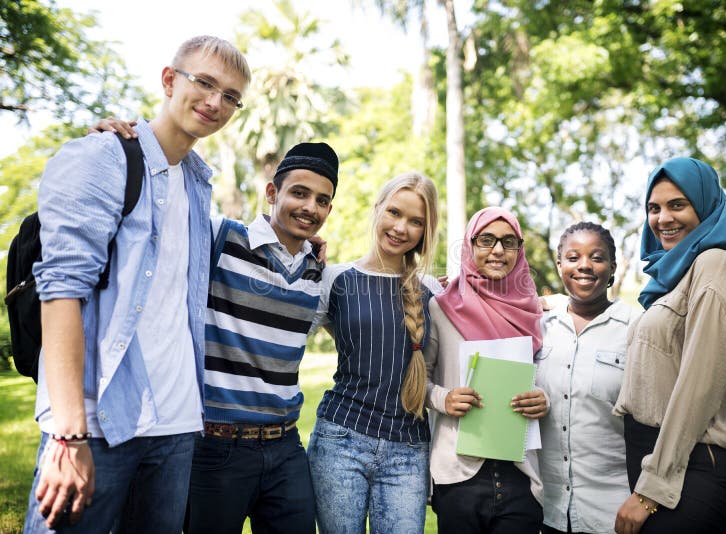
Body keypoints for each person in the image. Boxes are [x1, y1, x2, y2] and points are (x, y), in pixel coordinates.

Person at [24, 36, 251, 533]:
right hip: (96, 424)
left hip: (176, 426)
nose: (216, 102)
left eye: (231, 96)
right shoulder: (102, 157)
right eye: (204, 83)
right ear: (169, 80)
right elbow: (60, 291)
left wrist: (304, 240)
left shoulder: (197, 185)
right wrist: (68, 435)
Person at [613, 157, 726, 533]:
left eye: (677, 205)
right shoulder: (680, 273)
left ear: (705, 204)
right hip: (666, 460)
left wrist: (650, 491)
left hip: (692, 469)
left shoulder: (715, 264)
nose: (663, 218)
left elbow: (699, 385)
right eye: (654, 208)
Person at [184, 142, 338, 534]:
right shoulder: (221, 238)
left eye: (322, 200)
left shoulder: (317, 273)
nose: (310, 207)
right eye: (299, 193)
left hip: (285, 447)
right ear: (272, 192)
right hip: (216, 446)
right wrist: (127, 137)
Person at [307, 172, 441, 533]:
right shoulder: (335, 279)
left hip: (408, 449)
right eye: (394, 212)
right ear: (378, 208)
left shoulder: (432, 292)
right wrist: (300, 253)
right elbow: (286, 331)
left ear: (426, 230)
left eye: (416, 221)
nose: (401, 228)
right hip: (341, 441)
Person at [423, 207, 546, 533]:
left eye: (509, 242)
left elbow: (546, 377)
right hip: (459, 473)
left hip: (520, 473)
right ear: (470, 244)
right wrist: (443, 398)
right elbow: (417, 380)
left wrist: (542, 398)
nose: (498, 250)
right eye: (487, 240)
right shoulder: (442, 307)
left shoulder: (533, 311)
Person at [536, 222, 636, 534]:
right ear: (559, 265)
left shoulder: (636, 328)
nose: (584, 266)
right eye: (573, 257)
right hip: (546, 509)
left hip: (611, 510)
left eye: (597, 257)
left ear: (613, 267)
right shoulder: (539, 326)